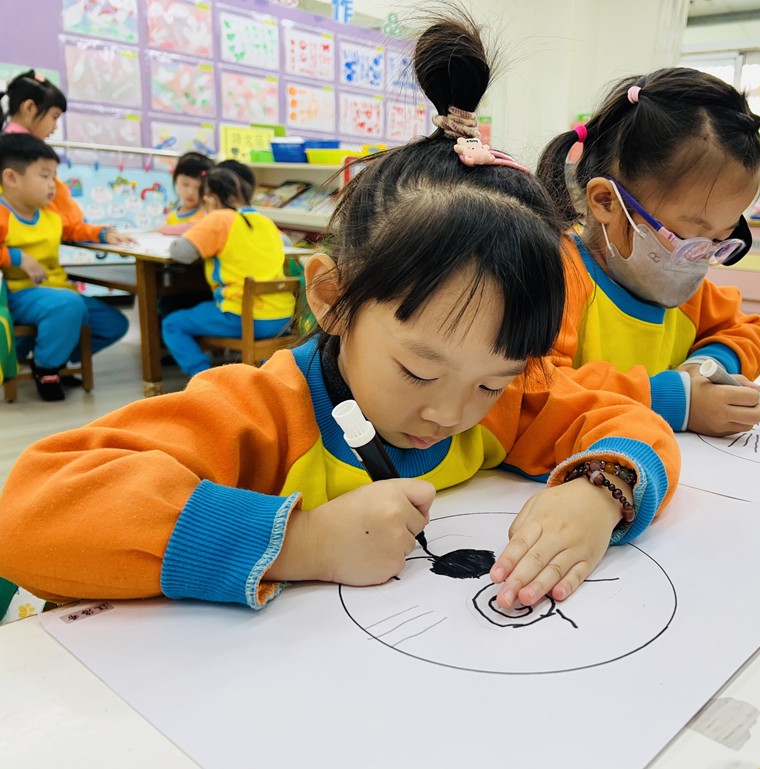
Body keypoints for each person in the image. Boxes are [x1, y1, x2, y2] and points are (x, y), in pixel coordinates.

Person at [0, 16, 681, 615]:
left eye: (491, 380)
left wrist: (599, 491)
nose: (451, 412)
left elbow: (627, 423)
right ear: (331, 297)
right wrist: (298, 543)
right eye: (418, 371)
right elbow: (32, 510)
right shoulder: (264, 413)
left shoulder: (505, 403)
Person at [535, 69, 760, 437]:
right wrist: (676, 400)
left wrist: (708, 366)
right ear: (606, 201)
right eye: (687, 237)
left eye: (719, 241)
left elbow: (747, 330)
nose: (699, 260)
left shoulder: (687, 293)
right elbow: (534, 387)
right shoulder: (557, 278)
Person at [0, 134, 129, 400]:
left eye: (54, 176)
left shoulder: (50, 215)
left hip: (56, 292)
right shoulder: (3, 214)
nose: (53, 184)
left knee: (113, 323)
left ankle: (56, 357)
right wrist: (17, 257)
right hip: (16, 293)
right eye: (45, 176)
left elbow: (76, 229)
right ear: (11, 178)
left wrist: (103, 233)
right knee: (68, 305)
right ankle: (46, 367)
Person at [161, 166, 293, 376]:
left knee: (172, 324)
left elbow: (181, 252)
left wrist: (204, 221)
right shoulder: (264, 220)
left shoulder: (220, 218)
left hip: (245, 316)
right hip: (283, 317)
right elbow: (286, 243)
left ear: (210, 200)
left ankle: (204, 377)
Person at [1, 69, 132, 244]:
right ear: (29, 108)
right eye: (54, 117)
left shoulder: (25, 151)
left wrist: (95, 232)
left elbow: (60, 220)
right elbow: (57, 217)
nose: (55, 127)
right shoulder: (18, 154)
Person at [158, 151, 214, 234]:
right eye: (185, 184)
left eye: (198, 188)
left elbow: (193, 228)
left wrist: (161, 230)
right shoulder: (171, 216)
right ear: (176, 180)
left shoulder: (206, 214)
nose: (190, 192)